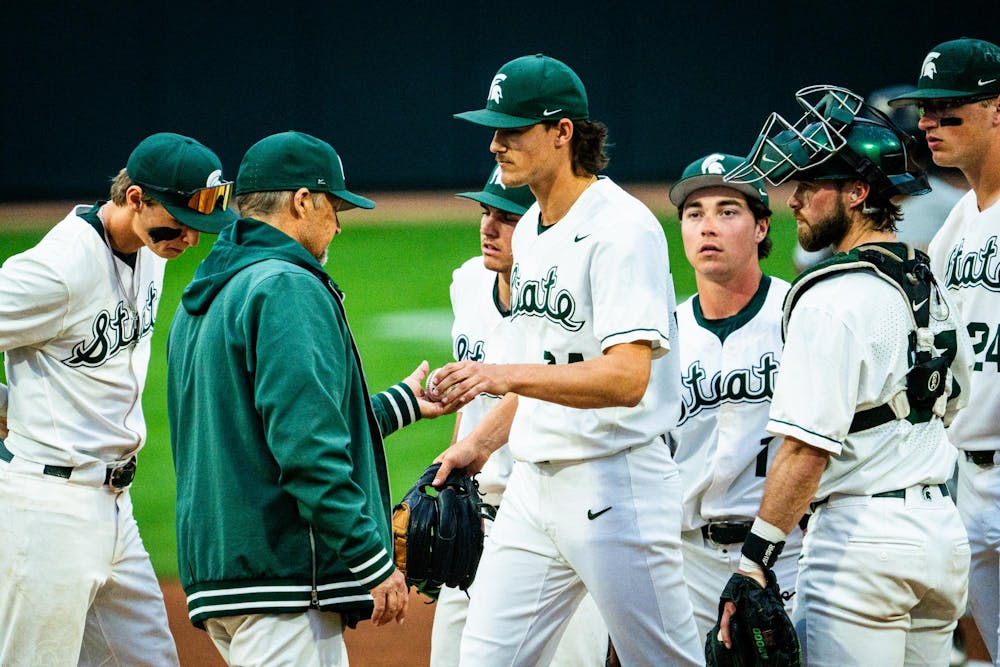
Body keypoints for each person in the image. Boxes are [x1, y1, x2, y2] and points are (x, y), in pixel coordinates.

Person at [429, 53, 703, 666]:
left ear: (562, 132)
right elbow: (543, 374)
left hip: (616, 483)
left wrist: (503, 374)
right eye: (494, 129)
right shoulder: (529, 232)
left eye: (513, 129)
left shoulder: (622, 228)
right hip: (533, 486)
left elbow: (628, 377)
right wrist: (478, 445)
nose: (496, 143)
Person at [165, 130, 454, 666]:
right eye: (335, 206)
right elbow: (306, 450)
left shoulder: (205, 296)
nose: (339, 224)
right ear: (302, 200)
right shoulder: (286, 285)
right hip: (282, 579)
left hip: (225, 574)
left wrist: (403, 403)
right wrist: (373, 561)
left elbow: (260, 429)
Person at [717, 85, 974, 665]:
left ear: (857, 193)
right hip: (941, 538)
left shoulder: (830, 298)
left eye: (811, 185)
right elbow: (955, 400)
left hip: (861, 548)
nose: (794, 200)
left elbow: (804, 450)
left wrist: (754, 562)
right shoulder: (926, 280)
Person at [0, 132, 236, 665]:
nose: (189, 240)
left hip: (114, 509)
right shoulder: (59, 269)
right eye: (178, 221)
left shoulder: (150, 247)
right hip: (47, 509)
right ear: (135, 198)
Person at [429, 164, 610, 666]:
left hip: (552, 521)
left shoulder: (568, 296)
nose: (488, 227)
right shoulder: (467, 282)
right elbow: (471, 404)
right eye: (486, 212)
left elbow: (547, 384)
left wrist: (481, 443)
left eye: (506, 217)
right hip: (475, 521)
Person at [890, 36, 1000, 664]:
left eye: (949, 108)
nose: (929, 122)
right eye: (925, 109)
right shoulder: (957, 223)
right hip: (969, 481)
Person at [666, 152, 801, 640]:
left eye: (728, 211)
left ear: (762, 228)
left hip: (789, 551)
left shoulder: (798, 314)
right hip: (686, 558)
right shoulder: (663, 333)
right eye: (694, 214)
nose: (708, 227)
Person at [793, 84, 967, 272]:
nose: (882, 152)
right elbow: (805, 263)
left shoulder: (954, 206)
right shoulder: (848, 205)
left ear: (918, 147)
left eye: (892, 145)